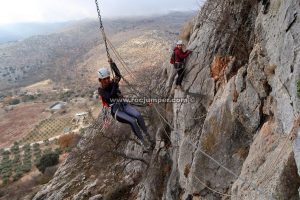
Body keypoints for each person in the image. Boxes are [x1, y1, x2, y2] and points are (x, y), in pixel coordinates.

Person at [97, 58, 154, 151]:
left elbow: (118, 75)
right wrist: (115, 84)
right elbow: (110, 96)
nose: (107, 80)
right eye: (105, 79)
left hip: (123, 104)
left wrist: (113, 64)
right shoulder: (101, 90)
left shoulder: (112, 83)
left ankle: (147, 135)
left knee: (138, 115)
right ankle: (143, 141)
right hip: (116, 110)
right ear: (100, 80)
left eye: (108, 78)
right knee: (132, 121)